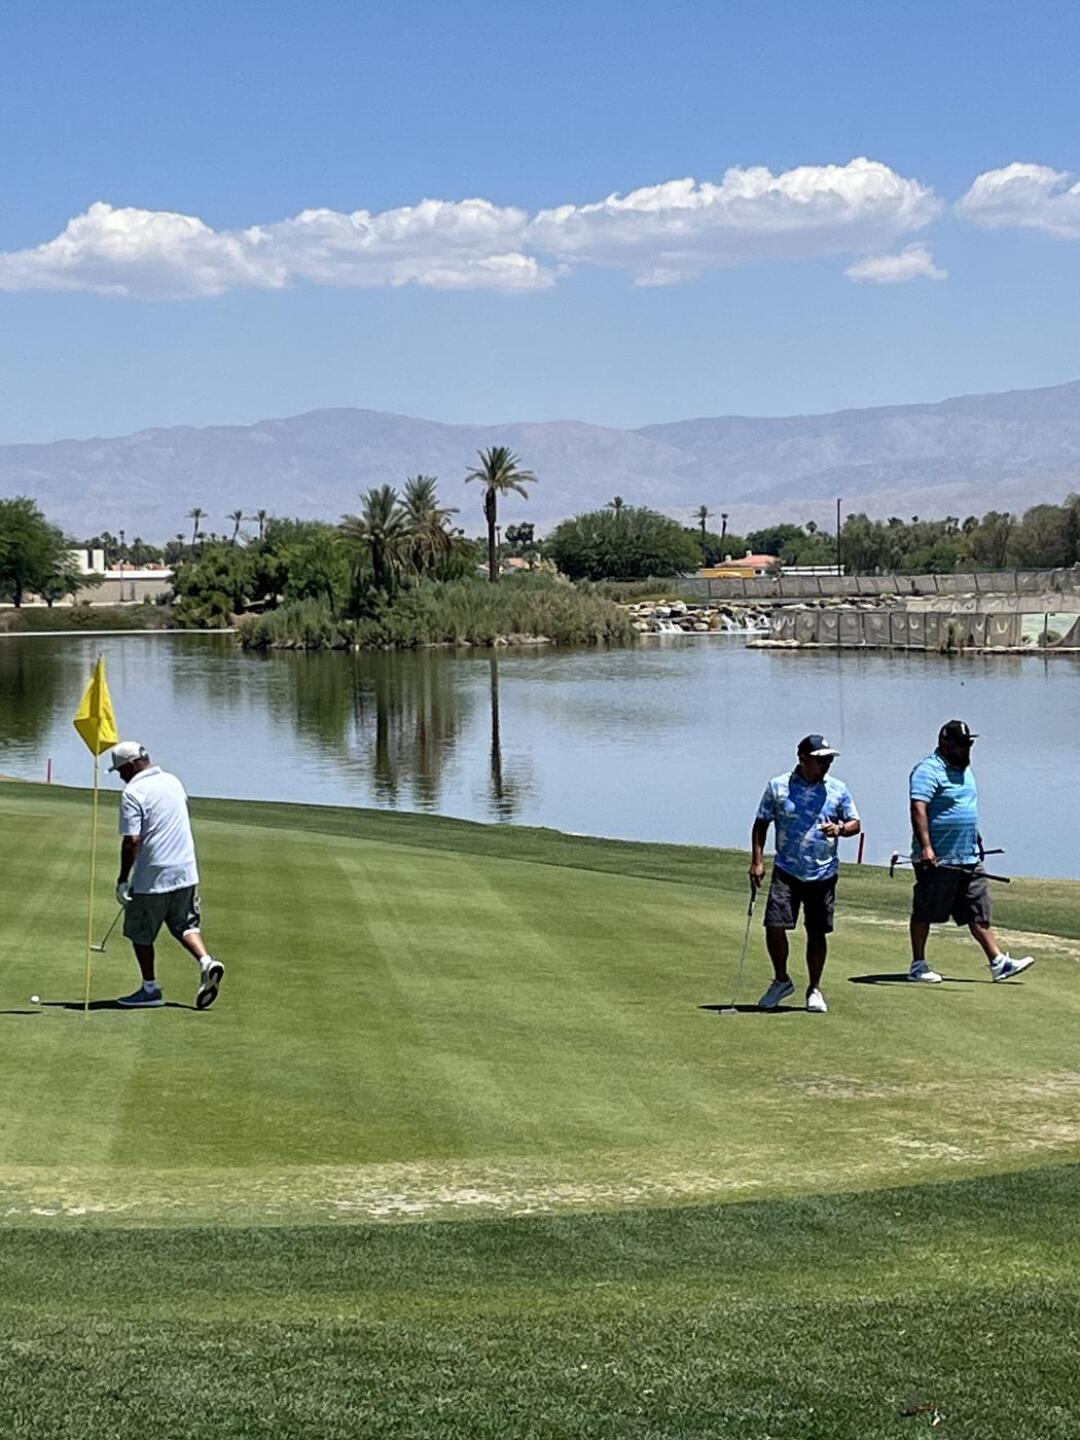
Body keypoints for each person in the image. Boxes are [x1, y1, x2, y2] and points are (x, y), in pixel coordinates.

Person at [907, 720, 1033, 984]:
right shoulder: (927, 770)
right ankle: (918, 965)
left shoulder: (965, 770)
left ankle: (998, 962)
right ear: (945, 744)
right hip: (938, 859)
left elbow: (965, 808)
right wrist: (927, 847)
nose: (966, 748)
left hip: (968, 855)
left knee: (978, 909)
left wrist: (976, 838)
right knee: (926, 910)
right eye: (961, 744)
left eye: (968, 744)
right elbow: (918, 809)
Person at [108, 740, 225, 1010]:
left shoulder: (133, 793)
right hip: (186, 870)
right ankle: (207, 963)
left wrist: (123, 879)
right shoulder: (173, 781)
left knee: (141, 934)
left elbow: (132, 841)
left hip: (153, 877)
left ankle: (150, 990)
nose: (121, 776)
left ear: (132, 765)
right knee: (185, 925)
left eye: (121, 770)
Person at [751, 734, 860, 1014]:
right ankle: (781, 980)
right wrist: (757, 862)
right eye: (820, 760)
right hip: (787, 869)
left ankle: (814, 989)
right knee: (774, 925)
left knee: (817, 931)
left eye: (829, 760)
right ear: (802, 758)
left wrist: (840, 829)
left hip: (823, 871)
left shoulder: (837, 789)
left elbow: (855, 823)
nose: (826, 764)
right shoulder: (778, 786)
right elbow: (761, 823)